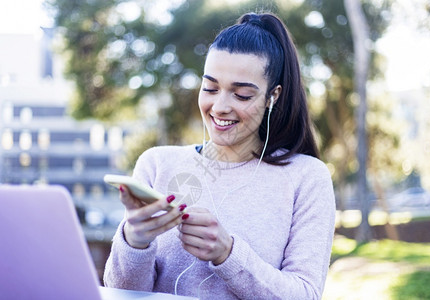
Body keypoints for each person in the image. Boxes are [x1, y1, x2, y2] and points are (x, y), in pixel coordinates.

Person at [104, 12, 335, 300]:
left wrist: (228, 253)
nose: (220, 106)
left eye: (241, 95)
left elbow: (305, 295)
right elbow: (121, 293)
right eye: (210, 88)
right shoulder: (156, 164)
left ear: (272, 97)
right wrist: (135, 240)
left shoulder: (306, 177)